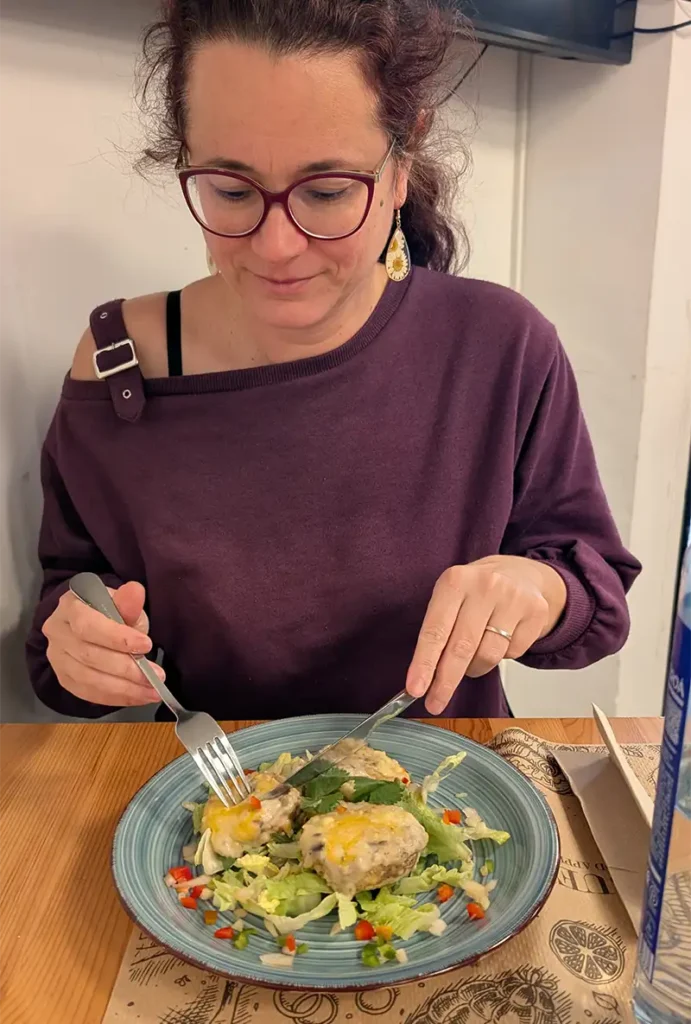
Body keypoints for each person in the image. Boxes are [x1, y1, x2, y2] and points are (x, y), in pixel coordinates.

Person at [26, 0, 641, 723]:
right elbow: (68, 609)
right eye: (229, 189)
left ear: (402, 161)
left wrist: (536, 592)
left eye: (325, 192)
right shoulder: (118, 366)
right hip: (215, 810)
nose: (278, 246)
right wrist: (80, 644)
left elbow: (592, 590)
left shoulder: (497, 345)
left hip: (447, 798)